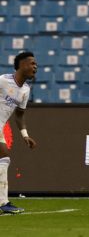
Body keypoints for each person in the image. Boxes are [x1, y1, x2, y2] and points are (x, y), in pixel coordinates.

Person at [0, 52, 37, 214]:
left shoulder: (25, 91)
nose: (35, 67)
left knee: (4, 158)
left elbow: (19, 115)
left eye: (36, 65)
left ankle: (3, 203)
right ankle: (3, 202)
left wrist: (25, 135)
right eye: (32, 63)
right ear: (22, 64)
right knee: (4, 157)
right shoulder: (3, 80)